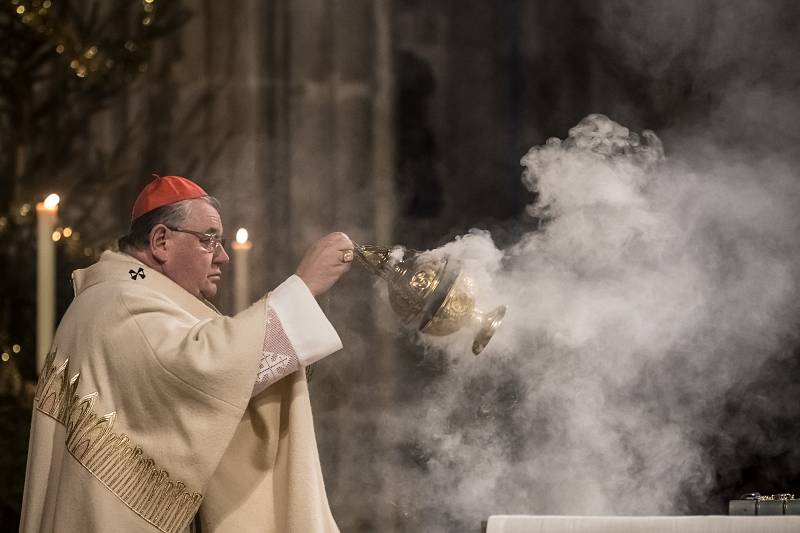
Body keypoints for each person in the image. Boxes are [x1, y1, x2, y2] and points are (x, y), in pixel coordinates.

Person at [20, 175, 355, 533]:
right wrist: (302, 288)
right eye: (209, 239)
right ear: (161, 241)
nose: (223, 256)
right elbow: (201, 368)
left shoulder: (129, 294)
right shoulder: (120, 303)